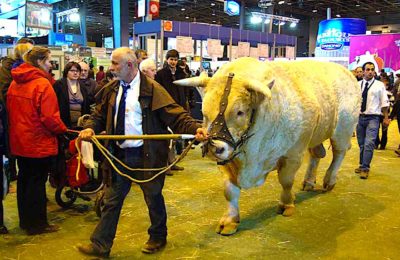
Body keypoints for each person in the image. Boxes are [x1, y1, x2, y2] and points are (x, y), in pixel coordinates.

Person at [77, 47, 207, 257]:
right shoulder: (112, 89)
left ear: (130, 65)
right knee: (112, 201)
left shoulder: (153, 89)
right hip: (118, 154)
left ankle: (158, 236)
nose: (111, 68)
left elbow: (175, 116)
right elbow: (99, 114)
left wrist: (194, 129)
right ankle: (100, 245)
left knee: (153, 197)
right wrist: (90, 126)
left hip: (147, 155)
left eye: (115, 64)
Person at [6, 46, 67, 235]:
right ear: (40, 62)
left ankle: (26, 220)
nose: (51, 65)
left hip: (19, 140)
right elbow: (50, 118)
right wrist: (63, 130)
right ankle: (38, 224)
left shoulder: (15, 82)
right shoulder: (42, 84)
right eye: (49, 61)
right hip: (38, 141)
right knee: (37, 183)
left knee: (24, 180)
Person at [155, 49, 189, 170]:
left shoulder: (181, 73)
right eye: (171, 59)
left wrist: (185, 105)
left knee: (175, 137)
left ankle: (172, 162)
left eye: (175, 59)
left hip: (179, 107)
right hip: (166, 108)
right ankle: (165, 165)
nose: (173, 62)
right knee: (166, 137)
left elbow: (185, 90)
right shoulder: (160, 74)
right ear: (167, 59)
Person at [355, 62, 390, 179]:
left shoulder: (379, 85)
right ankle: (361, 164)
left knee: (369, 143)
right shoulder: (357, 85)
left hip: (373, 118)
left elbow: (384, 102)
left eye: (372, 69)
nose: (370, 71)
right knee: (361, 144)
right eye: (368, 69)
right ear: (363, 71)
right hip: (359, 118)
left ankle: (365, 168)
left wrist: (386, 117)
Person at [53, 62, 91, 128]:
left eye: (77, 71)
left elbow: (86, 105)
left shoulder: (82, 86)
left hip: (80, 122)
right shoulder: (59, 84)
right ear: (66, 72)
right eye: (72, 71)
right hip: (64, 120)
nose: (75, 73)